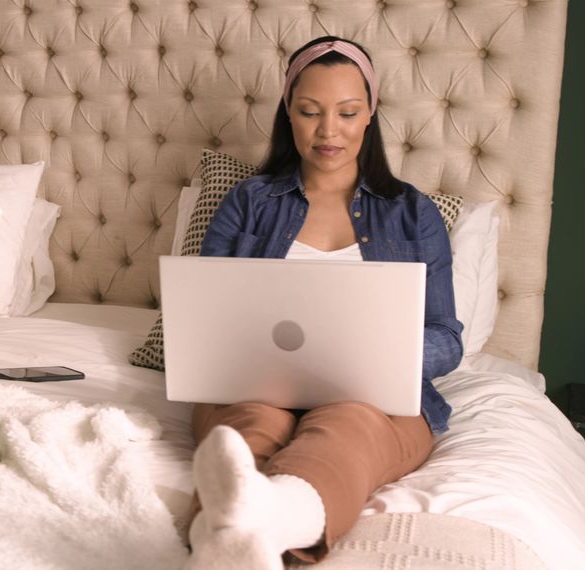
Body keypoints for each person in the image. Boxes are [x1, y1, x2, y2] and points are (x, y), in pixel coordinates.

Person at [185, 36, 463, 569]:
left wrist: (375, 359)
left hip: (374, 400)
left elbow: (447, 338)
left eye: (347, 112)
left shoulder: (412, 214)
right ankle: (232, 537)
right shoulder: (248, 202)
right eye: (310, 111)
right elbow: (204, 311)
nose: (328, 130)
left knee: (347, 426)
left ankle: (257, 525)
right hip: (255, 385)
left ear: (370, 113)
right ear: (288, 111)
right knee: (250, 429)